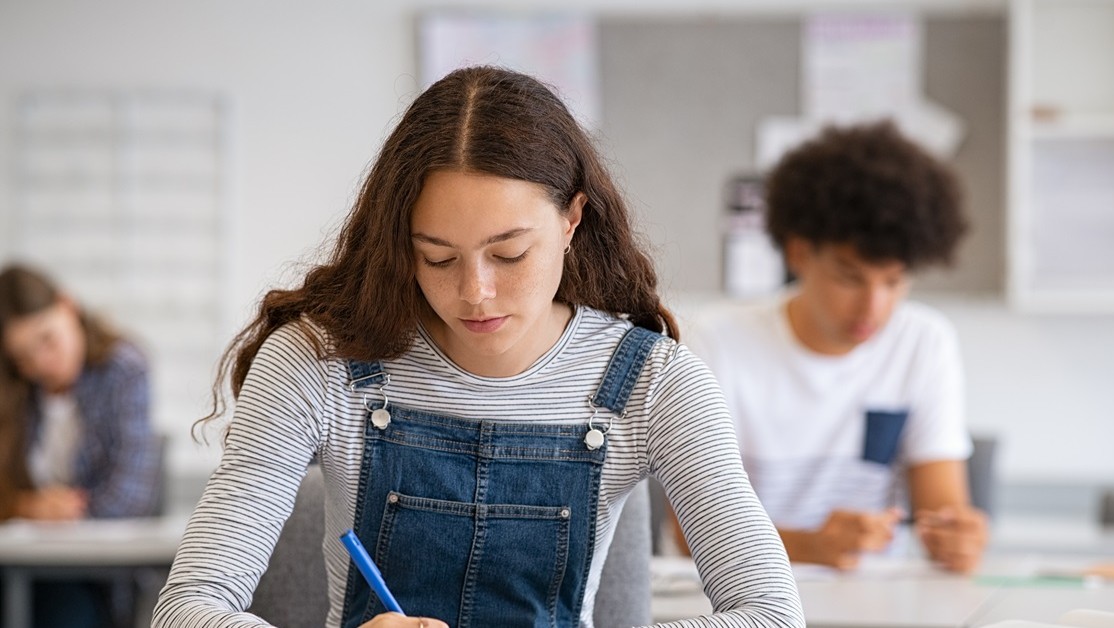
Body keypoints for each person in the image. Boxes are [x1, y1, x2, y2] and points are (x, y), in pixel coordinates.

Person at [152, 66, 802, 628]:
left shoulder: (656, 384)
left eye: (509, 253)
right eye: (437, 258)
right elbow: (187, 607)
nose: (475, 293)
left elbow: (771, 612)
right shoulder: (318, 363)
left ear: (572, 219)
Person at [686, 121, 988, 574]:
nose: (874, 306)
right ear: (799, 253)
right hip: (741, 599)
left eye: (893, 281)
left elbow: (941, 511)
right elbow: (689, 532)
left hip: (871, 605)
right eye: (850, 277)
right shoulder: (716, 342)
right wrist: (810, 545)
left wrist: (956, 538)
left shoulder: (924, 342)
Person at [0, 262, 162, 628]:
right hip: (19, 565)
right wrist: (28, 507)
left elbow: (130, 496)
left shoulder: (125, 370)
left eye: (47, 339)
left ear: (67, 306)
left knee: (60, 612)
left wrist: (65, 511)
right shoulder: (14, 388)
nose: (41, 364)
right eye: (23, 357)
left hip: (90, 573)